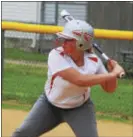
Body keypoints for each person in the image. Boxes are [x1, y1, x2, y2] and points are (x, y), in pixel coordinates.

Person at [12, 19, 125, 137]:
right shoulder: (56, 55)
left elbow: (109, 89)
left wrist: (112, 72)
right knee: (22, 134)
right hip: (49, 106)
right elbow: (79, 80)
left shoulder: (93, 61)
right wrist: (112, 74)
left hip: (80, 108)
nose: (63, 43)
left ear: (81, 43)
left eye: (68, 40)